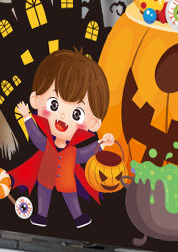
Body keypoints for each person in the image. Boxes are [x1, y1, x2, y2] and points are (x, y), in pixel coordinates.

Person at [10, 49, 114, 228]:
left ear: (94, 123)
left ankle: (78, 216)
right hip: (45, 176)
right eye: (54, 104)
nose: (63, 116)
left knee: (71, 196)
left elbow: (84, 154)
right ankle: (41, 215)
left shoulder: (72, 150)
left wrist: (101, 145)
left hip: (66, 180)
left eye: (77, 114)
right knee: (44, 194)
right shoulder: (47, 144)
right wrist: (27, 117)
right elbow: (36, 138)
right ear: (36, 100)